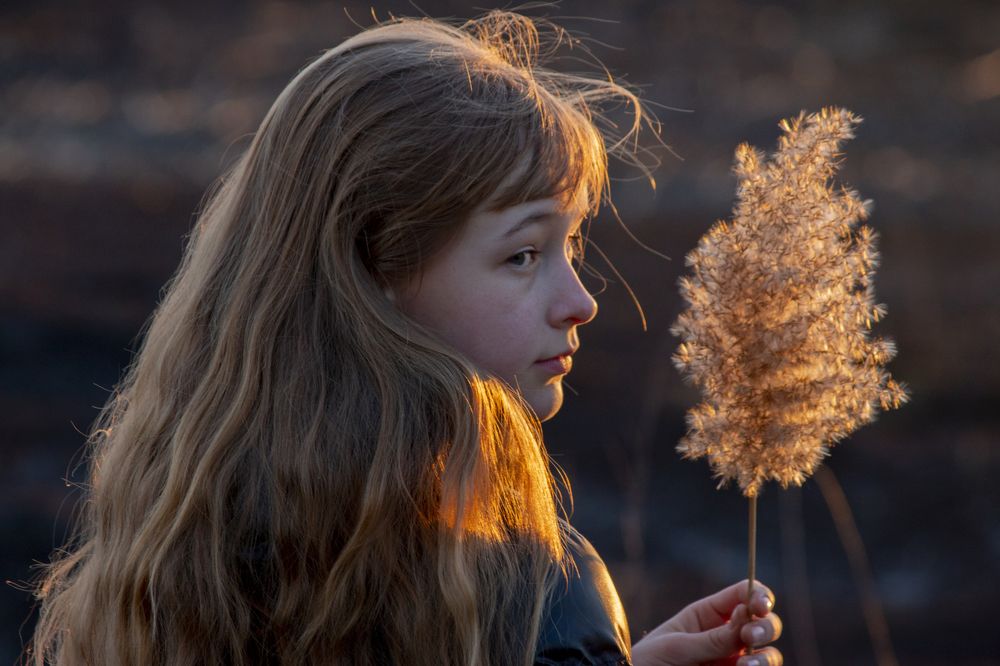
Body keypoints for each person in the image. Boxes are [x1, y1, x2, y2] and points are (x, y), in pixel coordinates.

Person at [28, 9, 782, 666]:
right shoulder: (528, 592)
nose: (580, 301)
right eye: (523, 255)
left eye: (572, 246)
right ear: (375, 271)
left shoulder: (178, 558)